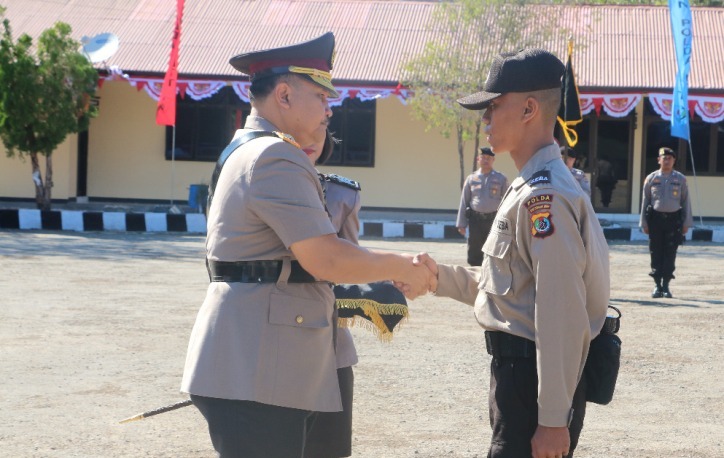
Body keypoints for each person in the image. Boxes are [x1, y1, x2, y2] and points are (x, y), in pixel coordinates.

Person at [180, 32, 433, 458]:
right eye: (319, 95)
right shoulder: (274, 156)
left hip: (271, 360)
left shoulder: (256, 152)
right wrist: (402, 266)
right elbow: (326, 258)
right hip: (258, 365)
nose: (327, 109)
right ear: (284, 94)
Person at [415, 48, 610, 458]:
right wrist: (437, 278)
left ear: (528, 109)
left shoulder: (545, 195)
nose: (485, 119)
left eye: (493, 107)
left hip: (530, 385)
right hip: (520, 380)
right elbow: (512, 288)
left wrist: (554, 419)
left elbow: (561, 311)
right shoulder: (528, 187)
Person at [639, 147, 693, 298]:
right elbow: (645, 201)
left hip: (673, 220)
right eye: (664, 157)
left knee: (670, 252)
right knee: (656, 251)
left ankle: (666, 286)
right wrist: (644, 223)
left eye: (670, 158)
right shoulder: (651, 178)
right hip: (655, 219)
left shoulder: (680, 179)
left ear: (674, 160)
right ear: (659, 160)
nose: (667, 160)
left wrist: (686, 223)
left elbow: (685, 202)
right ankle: (657, 285)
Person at [456, 147, 508, 266]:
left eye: (489, 158)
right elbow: (464, 201)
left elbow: (507, 201)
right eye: (483, 157)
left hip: (493, 219)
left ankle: (493, 275)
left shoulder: (501, 178)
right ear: (478, 159)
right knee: (475, 249)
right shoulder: (471, 178)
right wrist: (461, 223)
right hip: (475, 220)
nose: (486, 160)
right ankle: (475, 275)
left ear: (493, 160)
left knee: (494, 248)